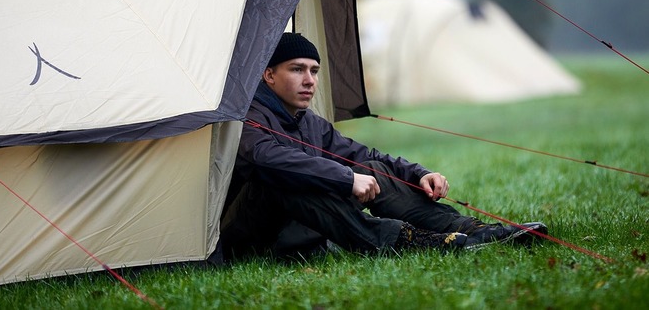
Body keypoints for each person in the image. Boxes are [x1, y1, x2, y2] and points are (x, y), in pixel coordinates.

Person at [220, 32, 547, 259]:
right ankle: (401, 240)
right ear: (269, 75)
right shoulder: (246, 116)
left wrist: (419, 173)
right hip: (253, 238)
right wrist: (346, 180)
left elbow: (364, 156)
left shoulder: (308, 121)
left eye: (314, 71)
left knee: (371, 169)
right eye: (297, 69)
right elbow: (267, 159)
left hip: (303, 231)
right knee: (286, 176)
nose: (309, 80)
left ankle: (473, 230)